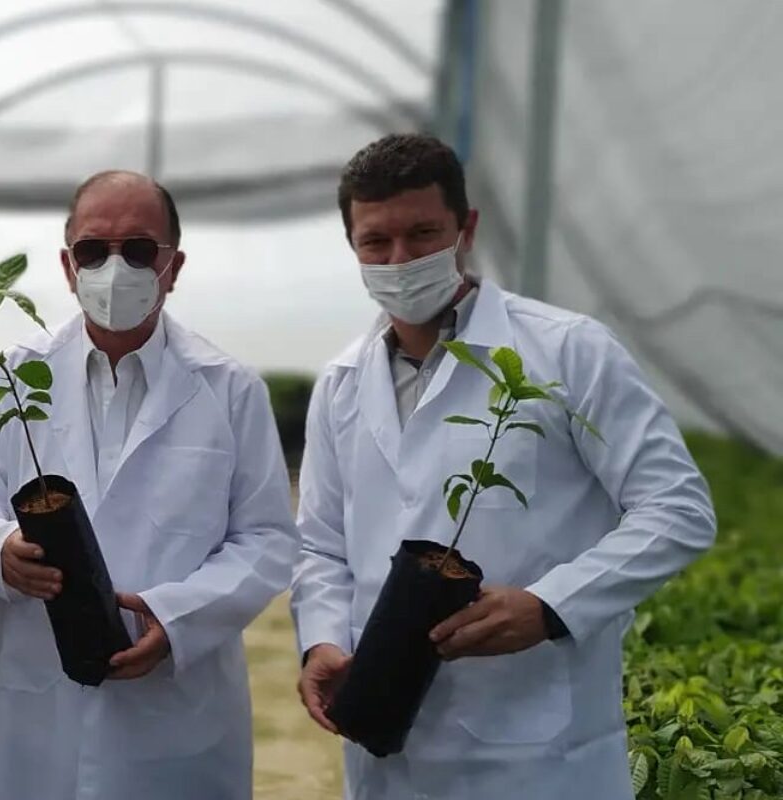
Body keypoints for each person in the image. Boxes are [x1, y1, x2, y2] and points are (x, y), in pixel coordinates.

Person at [291, 133, 717, 799]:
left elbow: (677, 509)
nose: (400, 260)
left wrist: (551, 605)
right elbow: (321, 545)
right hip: (387, 739)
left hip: (537, 750)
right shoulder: (342, 383)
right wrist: (320, 640)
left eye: (422, 233)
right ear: (353, 246)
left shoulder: (568, 351)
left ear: (466, 228)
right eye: (376, 242)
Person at [0, 170, 299, 799]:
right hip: (40, 698)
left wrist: (178, 617)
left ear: (172, 266)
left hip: (174, 708)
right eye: (93, 250)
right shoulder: (17, 377)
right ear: (68, 266)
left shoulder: (228, 388)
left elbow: (267, 540)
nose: (114, 268)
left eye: (137, 250)